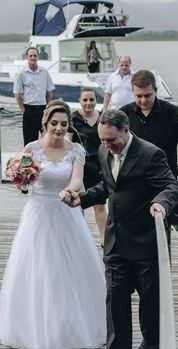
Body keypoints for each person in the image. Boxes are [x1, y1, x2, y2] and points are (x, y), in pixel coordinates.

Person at [61, 110, 178, 349]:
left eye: (112, 140)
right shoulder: (105, 152)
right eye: (103, 140)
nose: (106, 145)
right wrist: (80, 198)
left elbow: (172, 187)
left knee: (149, 301)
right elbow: (106, 187)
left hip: (145, 240)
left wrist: (160, 203)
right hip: (116, 240)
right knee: (115, 299)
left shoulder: (151, 154)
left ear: (126, 131)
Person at [0, 102, 106, 349]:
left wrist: (71, 190)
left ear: (69, 125)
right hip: (38, 213)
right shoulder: (31, 149)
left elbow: (77, 179)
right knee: (41, 268)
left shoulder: (76, 150)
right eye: (54, 123)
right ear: (45, 124)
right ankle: (38, 330)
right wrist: (20, 181)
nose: (58, 128)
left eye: (64, 124)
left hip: (66, 211)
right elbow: (23, 181)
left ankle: (71, 328)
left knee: (68, 270)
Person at [71, 88, 108, 244]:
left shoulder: (103, 118)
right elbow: (67, 142)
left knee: (99, 204)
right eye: (85, 100)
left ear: (96, 101)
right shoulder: (73, 119)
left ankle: (104, 239)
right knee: (78, 204)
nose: (88, 103)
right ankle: (81, 240)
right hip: (79, 164)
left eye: (91, 100)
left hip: (99, 165)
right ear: (79, 100)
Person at [14, 46, 55, 145]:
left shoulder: (44, 72)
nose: (33, 58)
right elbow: (17, 93)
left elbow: (49, 91)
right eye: (30, 55)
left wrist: (48, 108)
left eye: (35, 55)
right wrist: (24, 111)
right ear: (27, 57)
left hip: (43, 110)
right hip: (29, 111)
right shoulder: (21, 74)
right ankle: (30, 160)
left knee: (48, 141)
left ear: (38, 57)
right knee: (30, 143)